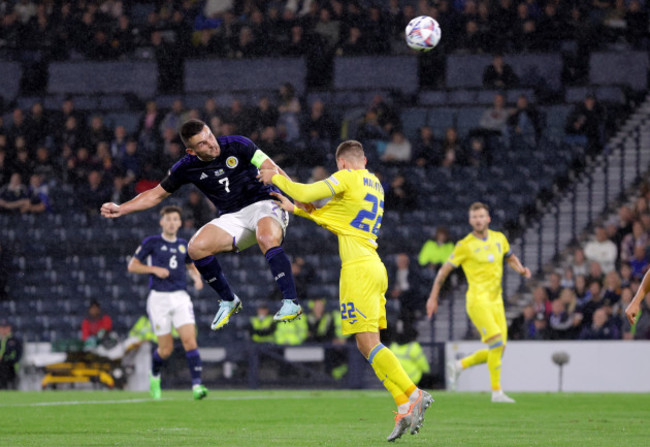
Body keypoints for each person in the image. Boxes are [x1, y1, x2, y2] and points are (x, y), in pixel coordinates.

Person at [258, 140, 432, 442]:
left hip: (359, 269)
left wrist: (274, 177)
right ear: (363, 158)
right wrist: (298, 210)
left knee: (367, 342)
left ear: (342, 163)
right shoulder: (374, 184)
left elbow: (305, 193)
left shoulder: (348, 177)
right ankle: (404, 402)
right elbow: (336, 217)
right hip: (374, 266)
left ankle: (414, 393)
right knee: (368, 345)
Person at [101, 119, 303, 331]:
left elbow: (271, 166)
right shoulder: (186, 167)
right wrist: (121, 208)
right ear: (191, 150)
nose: (211, 144)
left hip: (265, 202)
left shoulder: (238, 143)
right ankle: (229, 301)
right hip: (232, 217)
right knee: (195, 248)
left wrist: (298, 197)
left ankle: (291, 302)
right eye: (203, 144)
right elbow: (155, 195)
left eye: (210, 137)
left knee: (266, 238)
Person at [426, 202, 531, 403]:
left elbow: (510, 256)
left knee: (498, 350)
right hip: (477, 301)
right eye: (475, 217)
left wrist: (521, 269)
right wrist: (433, 297)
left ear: (488, 218)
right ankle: (497, 393)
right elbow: (443, 271)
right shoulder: (464, 245)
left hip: (496, 301)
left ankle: (459, 366)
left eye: (482, 216)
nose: (478, 220)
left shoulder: (499, 238)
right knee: (497, 343)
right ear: (470, 220)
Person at [127, 205, 208, 400]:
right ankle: (154, 376)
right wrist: (154, 269)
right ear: (162, 222)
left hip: (180, 297)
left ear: (180, 223)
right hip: (159, 299)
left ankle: (197, 385)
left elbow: (190, 265)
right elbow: (133, 266)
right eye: (168, 219)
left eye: (175, 219)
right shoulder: (152, 242)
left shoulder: (183, 245)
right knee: (166, 349)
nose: (171, 223)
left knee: (190, 341)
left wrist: (196, 278)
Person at [0, 318, 22, 389]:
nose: (3, 329)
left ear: (9, 328)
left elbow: (18, 354)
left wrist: (4, 359)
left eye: (5, 327)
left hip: (10, 368)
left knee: (12, 387)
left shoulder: (14, 340)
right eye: (2, 327)